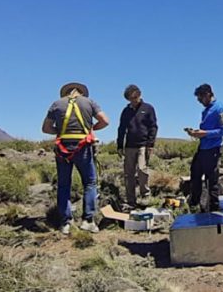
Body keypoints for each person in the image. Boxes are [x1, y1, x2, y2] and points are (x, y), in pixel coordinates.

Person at [42, 82, 109, 234]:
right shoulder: (89, 102)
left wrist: (59, 131)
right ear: (81, 92)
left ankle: (65, 223)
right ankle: (88, 220)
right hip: (83, 147)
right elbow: (105, 121)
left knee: (64, 185)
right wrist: (91, 129)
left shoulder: (56, 104)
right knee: (90, 183)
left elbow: (45, 128)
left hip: (62, 150)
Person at [186, 83, 223, 212]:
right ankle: (194, 204)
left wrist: (205, 134)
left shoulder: (220, 108)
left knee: (211, 180)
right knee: (195, 174)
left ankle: (214, 210)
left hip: (213, 149)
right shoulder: (205, 111)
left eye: (200, 98)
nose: (199, 101)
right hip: (203, 148)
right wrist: (195, 133)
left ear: (208, 95)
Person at [116, 84, 158, 209]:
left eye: (135, 97)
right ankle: (131, 200)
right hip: (129, 145)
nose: (133, 100)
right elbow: (122, 128)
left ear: (139, 95)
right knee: (129, 173)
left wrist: (151, 144)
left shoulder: (148, 108)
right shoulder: (126, 111)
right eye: (130, 98)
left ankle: (145, 196)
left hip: (143, 145)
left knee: (142, 169)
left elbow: (153, 126)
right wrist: (119, 145)